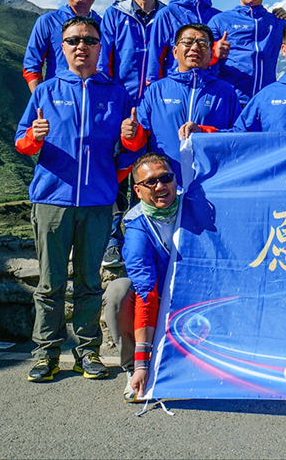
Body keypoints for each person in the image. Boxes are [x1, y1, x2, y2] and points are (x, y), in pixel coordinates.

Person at [14, 15, 132, 383]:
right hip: (52, 200)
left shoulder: (116, 94)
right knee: (50, 284)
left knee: (89, 283)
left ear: (100, 47)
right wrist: (34, 136)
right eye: (73, 40)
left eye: (89, 40)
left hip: (97, 204)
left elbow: (128, 152)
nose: (82, 46)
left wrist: (115, 167)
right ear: (62, 48)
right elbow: (21, 143)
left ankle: (87, 352)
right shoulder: (45, 92)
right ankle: (46, 354)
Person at [97, 0, 165, 268]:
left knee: (153, 174)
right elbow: (104, 61)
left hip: (157, 107)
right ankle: (112, 241)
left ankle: (150, 239)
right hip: (121, 105)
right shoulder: (115, 15)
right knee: (115, 173)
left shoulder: (167, 15)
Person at [102, 152, 179, 403]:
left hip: (193, 296)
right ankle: (133, 368)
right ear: (137, 190)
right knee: (119, 291)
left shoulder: (193, 208)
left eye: (166, 178)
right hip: (158, 298)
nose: (160, 186)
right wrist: (141, 364)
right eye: (150, 182)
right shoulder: (136, 226)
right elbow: (146, 290)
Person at [122, 23, 241, 184]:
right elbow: (138, 142)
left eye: (203, 43)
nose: (195, 47)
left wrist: (204, 132)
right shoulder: (156, 90)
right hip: (164, 185)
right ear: (175, 51)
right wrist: (130, 134)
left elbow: (238, 138)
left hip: (211, 183)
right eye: (188, 42)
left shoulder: (226, 92)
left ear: (211, 53)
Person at [209, 0, 286, 106]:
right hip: (230, 103)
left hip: (266, 104)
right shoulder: (219, 21)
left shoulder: (279, 24)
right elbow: (201, 61)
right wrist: (214, 53)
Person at [145, 0, 223, 86]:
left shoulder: (219, 17)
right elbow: (155, 58)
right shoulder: (167, 14)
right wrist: (153, 91)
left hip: (211, 90)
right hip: (176, 88)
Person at [22, 0, 103, 92]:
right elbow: (31, 66)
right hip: (58, 97)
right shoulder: (47, 22)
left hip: (96, 97)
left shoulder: (104, 25)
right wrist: (42, 99)